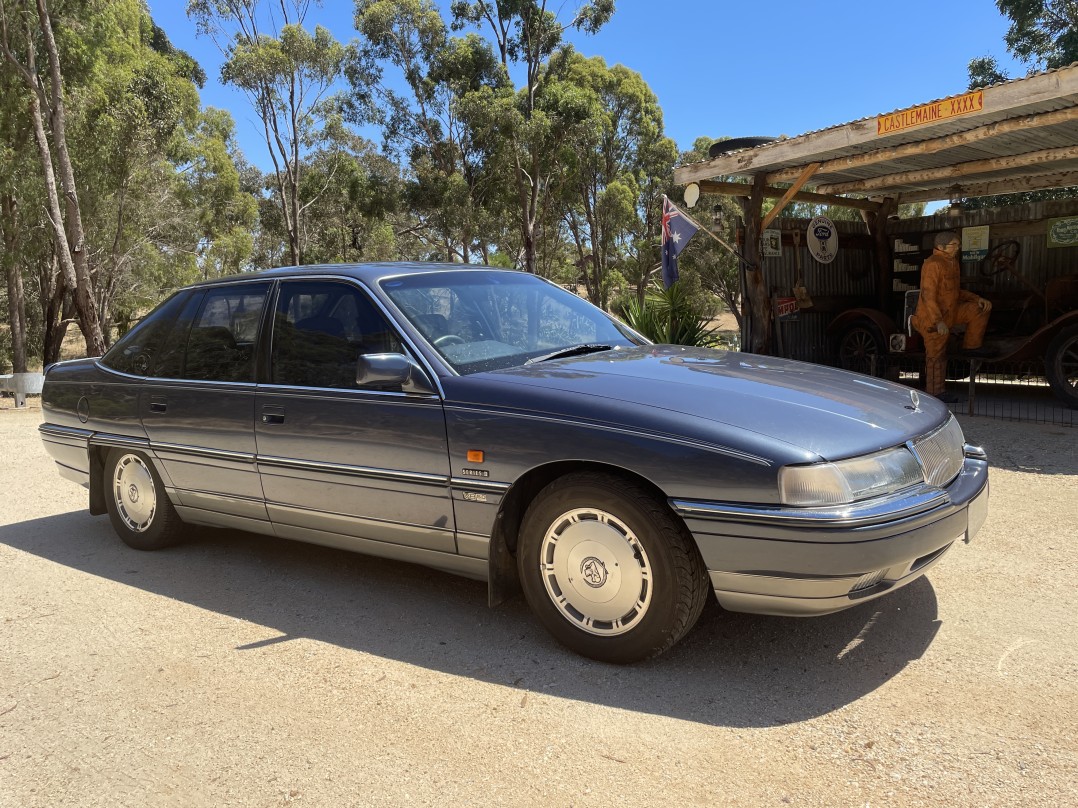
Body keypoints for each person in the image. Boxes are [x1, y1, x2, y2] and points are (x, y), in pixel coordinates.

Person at [911, 231, 992, 402]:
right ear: (941, 247)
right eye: (954, 245)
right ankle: (935, 393)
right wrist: (937, 321)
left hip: (951, 313)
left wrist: (977, 299)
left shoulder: (953, 263)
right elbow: (928, 296)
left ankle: (971, 347)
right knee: (936, 356)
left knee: (978, 310)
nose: (958, 248)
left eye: (958, 244)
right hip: (932, 319)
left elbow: (955, 292)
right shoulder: (933, 264)